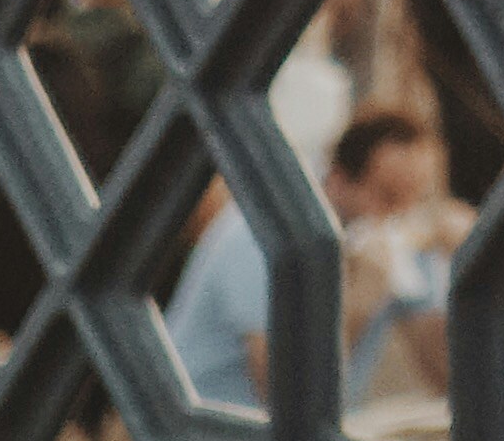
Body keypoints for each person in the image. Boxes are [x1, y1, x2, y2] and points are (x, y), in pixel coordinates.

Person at [164, 110, 465, 415]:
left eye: (417, 198)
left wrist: (466, 272)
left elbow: (448, 377)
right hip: (207, 427)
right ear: (338, 182)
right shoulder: (261, 235)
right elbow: (283, 393)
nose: (402, 214)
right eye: (389, 196)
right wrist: (357, 305)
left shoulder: (402, 232)